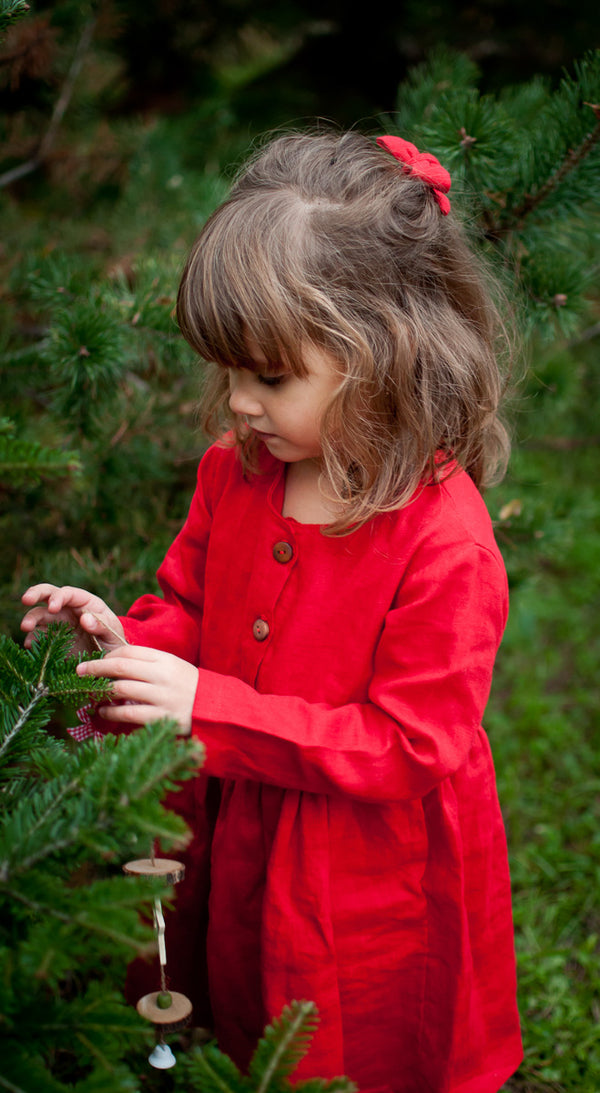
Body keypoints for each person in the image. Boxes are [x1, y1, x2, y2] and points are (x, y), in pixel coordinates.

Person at [21, 129, 523, 1093]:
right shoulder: (239, 473)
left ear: (379, 352)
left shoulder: (441, 539)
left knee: (347, 1037)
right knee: (248, 1006)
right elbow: (190, 606)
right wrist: (126, 645)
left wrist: (207, 707)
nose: (240, 404)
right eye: (230, 372)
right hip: (245, 819)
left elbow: (413, 744)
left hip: (367, 868)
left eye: (270, 377)